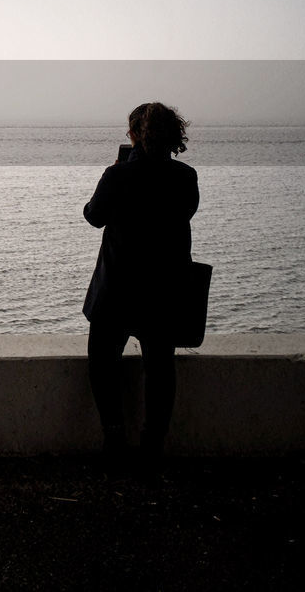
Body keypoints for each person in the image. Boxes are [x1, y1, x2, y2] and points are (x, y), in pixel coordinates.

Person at [82, 101, 199, 465]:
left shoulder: (117, 176)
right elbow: (186, 212)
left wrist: (119, 171)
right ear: (173, 136)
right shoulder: (185, 176)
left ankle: (114, 439)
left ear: (134, 135)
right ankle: (153, 446)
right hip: (163, 292)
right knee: (160, 368)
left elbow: (93, 216)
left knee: (103, 362)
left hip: (116, 290)